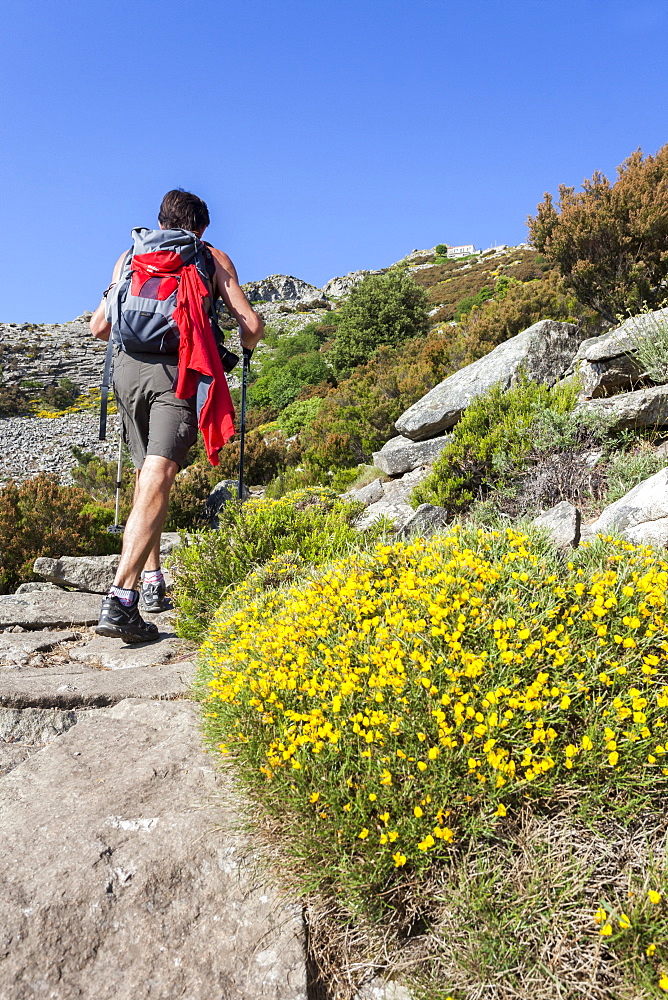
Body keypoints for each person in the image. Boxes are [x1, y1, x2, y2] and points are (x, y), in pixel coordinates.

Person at [89, 189, 264, 642]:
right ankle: (121, 598)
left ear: (161, 220)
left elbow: (99, 327)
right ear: (200, 227)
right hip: (178, 372)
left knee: (149, 475)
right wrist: (242, 353)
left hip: (127, 374)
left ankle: (151, 582)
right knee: (159, 476)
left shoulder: (130, 255)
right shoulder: (209, 255)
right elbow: (251, 324)